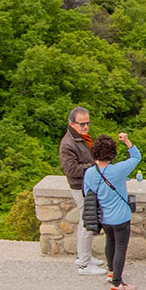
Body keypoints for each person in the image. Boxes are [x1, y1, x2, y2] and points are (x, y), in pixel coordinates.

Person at [83, 132, 140, 290]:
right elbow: (136, 157)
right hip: (121, 217)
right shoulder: (118, 170)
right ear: (112, 153)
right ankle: (117, 284)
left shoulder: (90, 173)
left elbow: (87, 193)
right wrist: (127, 141)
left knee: (110, 243)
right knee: (121, 248)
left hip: (104, 217)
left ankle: (110, 272)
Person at [58, 106, 106, 276]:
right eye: (82, 124)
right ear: (72, 123)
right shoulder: (68, 144)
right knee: (88, 223)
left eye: (88, 123)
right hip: (80, 187)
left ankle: (83, 256)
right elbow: (71, 169)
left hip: (87, 185)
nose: (86, 127)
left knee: (83, 221)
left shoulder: (81, 138)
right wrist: (94, 167)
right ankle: (85, 265)